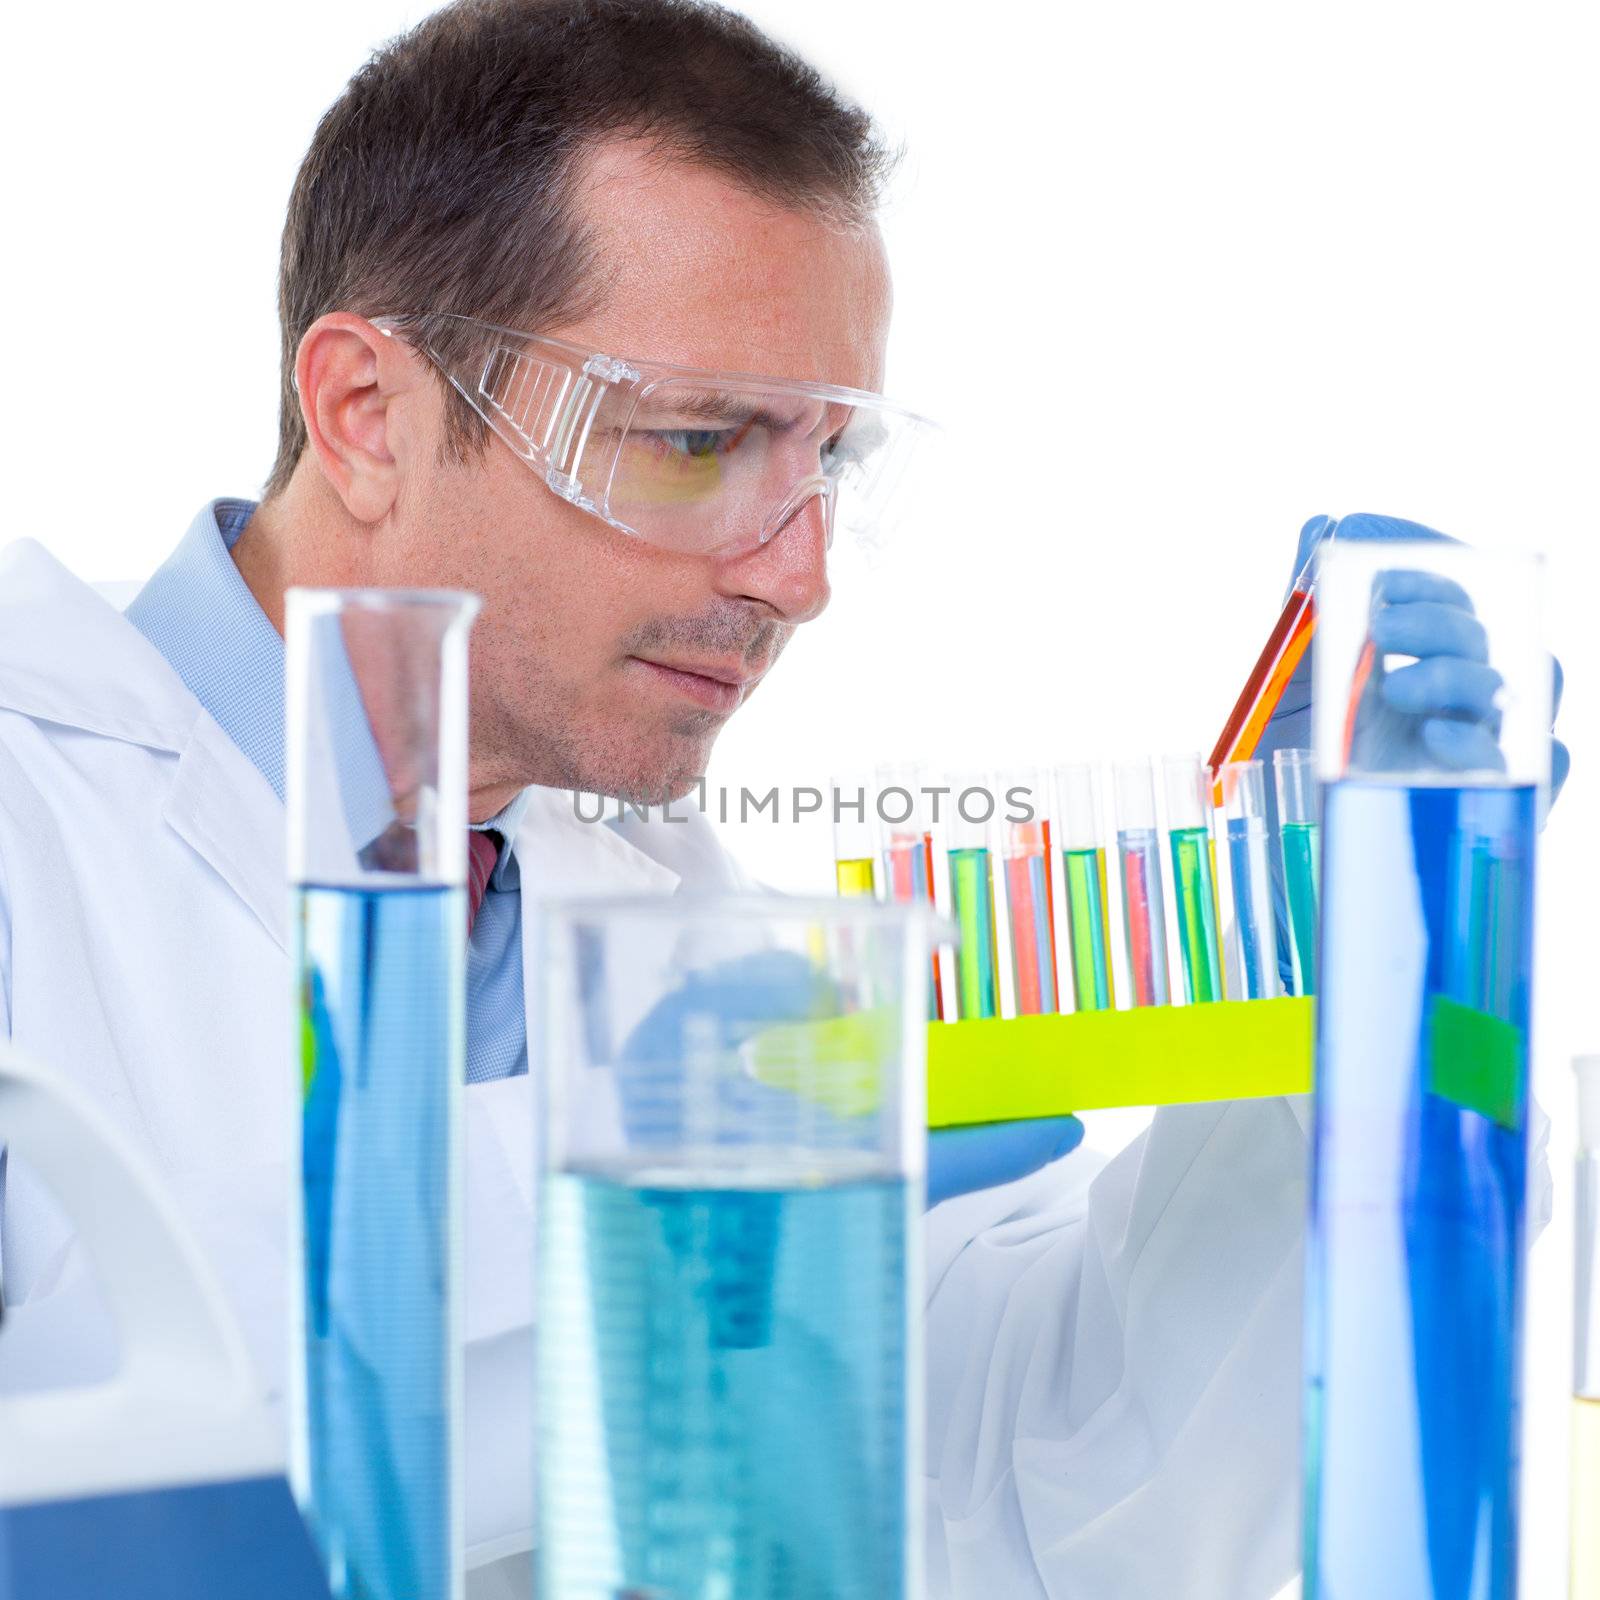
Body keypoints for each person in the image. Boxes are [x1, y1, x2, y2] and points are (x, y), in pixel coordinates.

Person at [0, 2, 1566, 1595]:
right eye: (697, 439)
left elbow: (1027, 1492)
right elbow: (68, 1442)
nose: (800, 575)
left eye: (825, 465)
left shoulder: (658, 896)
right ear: (367, 414)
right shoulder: (30, 813)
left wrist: (1327, 988)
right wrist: (626, 1164)